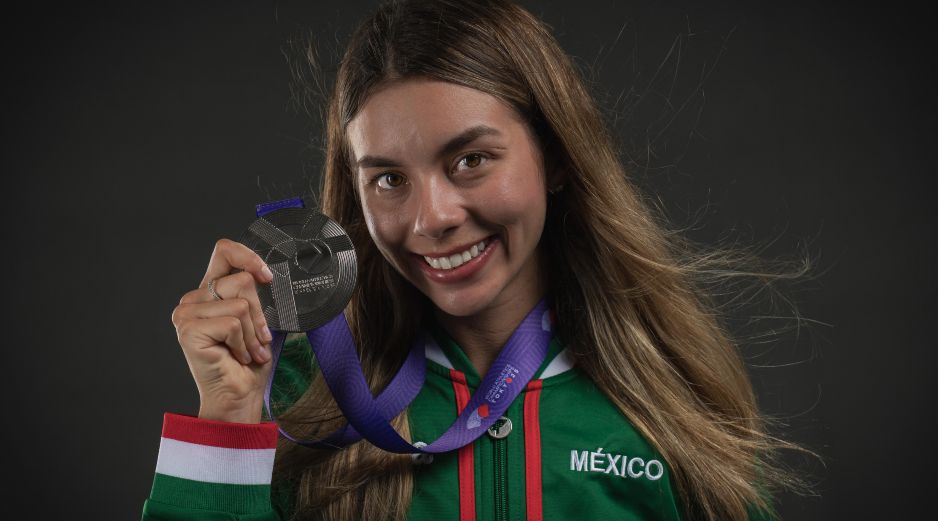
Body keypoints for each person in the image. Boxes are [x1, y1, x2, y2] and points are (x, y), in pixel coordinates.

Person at [142, 1, 805, 519]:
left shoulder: (669, 399)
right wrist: (227, 417)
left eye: (471, 160)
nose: (432, 217)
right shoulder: (298, 398)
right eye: (389, 179)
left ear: (555, 157)